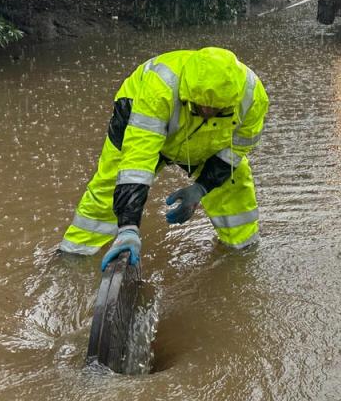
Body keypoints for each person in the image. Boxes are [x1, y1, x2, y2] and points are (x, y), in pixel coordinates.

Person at [59, 47, 269, 270]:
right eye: (201, 106)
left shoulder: (253, 98)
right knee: (108, 190)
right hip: (139, 120)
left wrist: (202, 187)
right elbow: (137, 162)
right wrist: (129, 228)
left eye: (216, 108)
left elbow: (233, 153)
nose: (207, 111)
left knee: (234, 190)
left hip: (211, 138)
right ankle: (73, 258)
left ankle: (243, 255)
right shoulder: (158, 87)